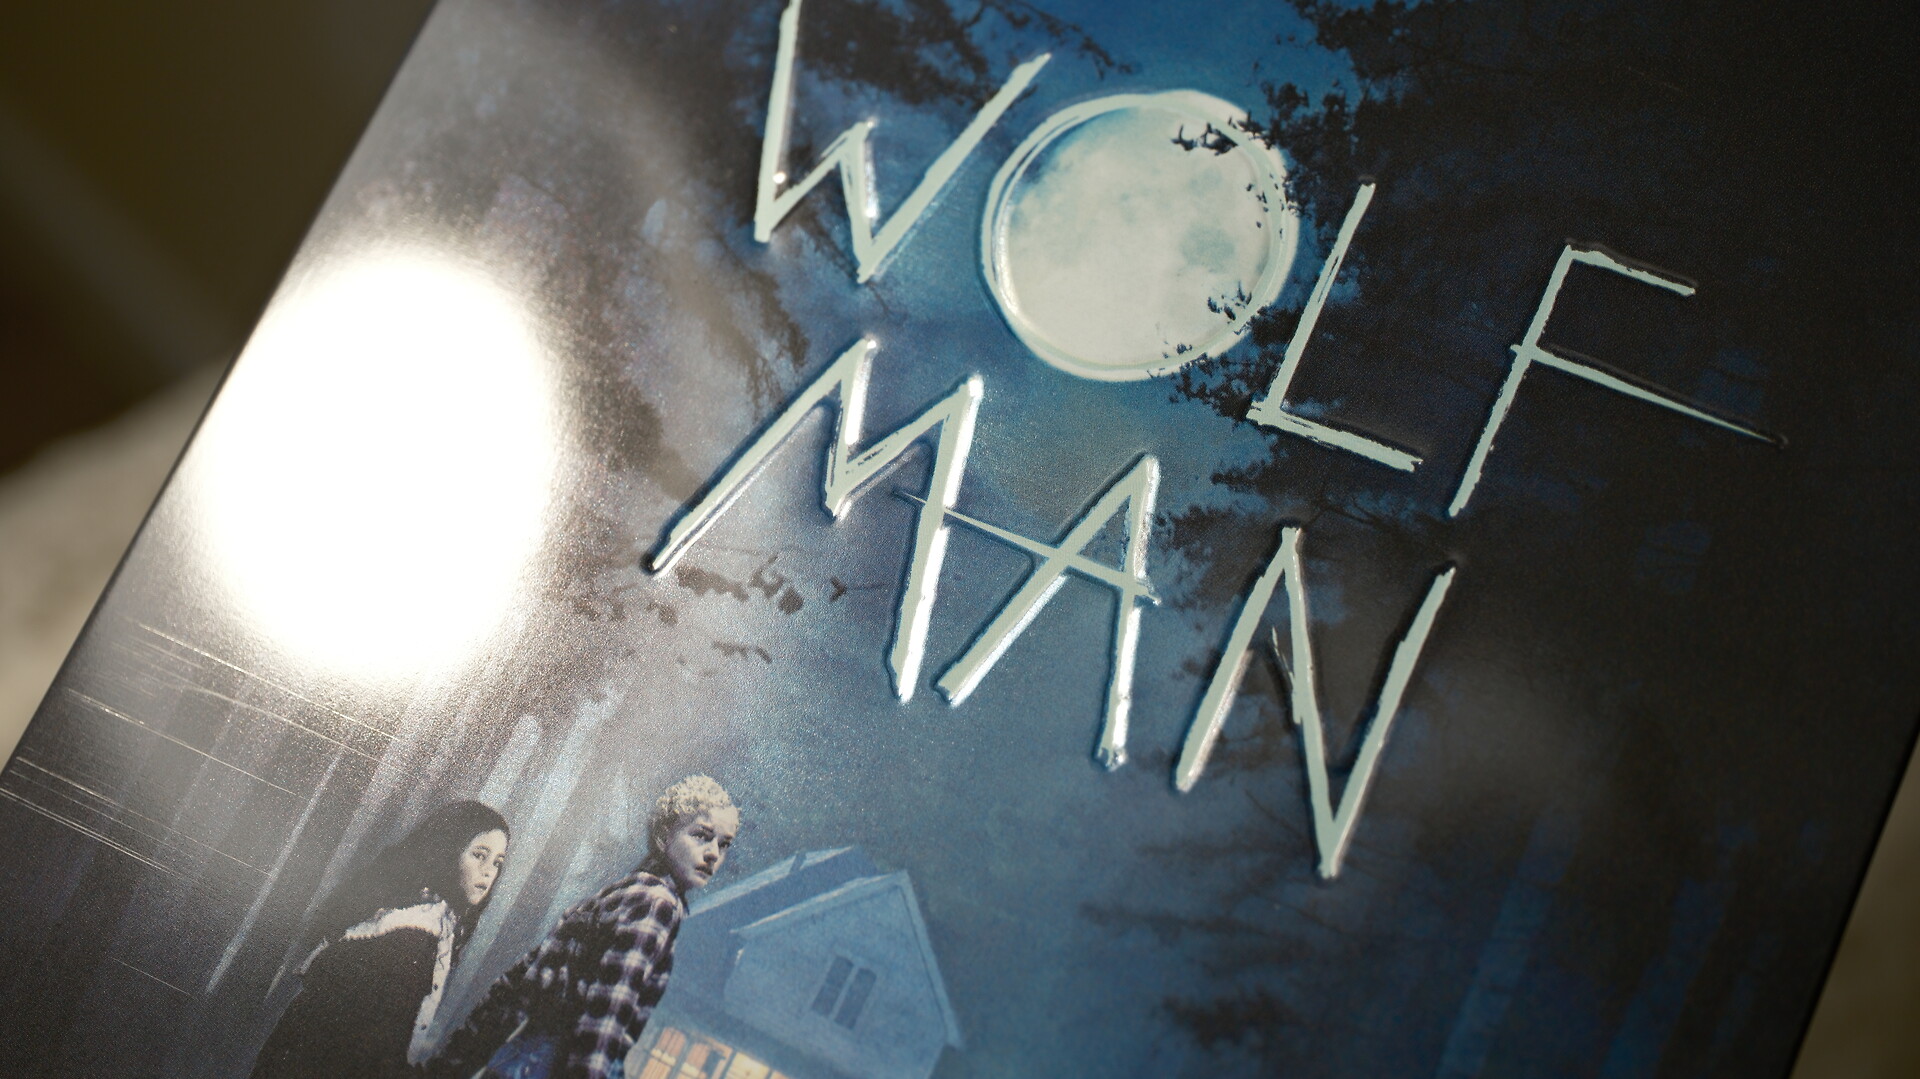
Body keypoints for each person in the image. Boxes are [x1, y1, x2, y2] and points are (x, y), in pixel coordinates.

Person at [432, 775, 740, 1079]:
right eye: (701, 835)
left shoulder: (624, 892)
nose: (713, 853)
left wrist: (452, 1064)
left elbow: (515, 984)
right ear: (664, 835)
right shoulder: (656, 904)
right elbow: (605, 1019)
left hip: (519, 1059)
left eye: (724, 844)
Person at [251, 800, 511, 1079]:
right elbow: (369, 1050)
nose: (488, 872)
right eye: (479, 855)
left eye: (497, 862)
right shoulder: (413, 936)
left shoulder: (420, 918)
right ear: (447, 851)